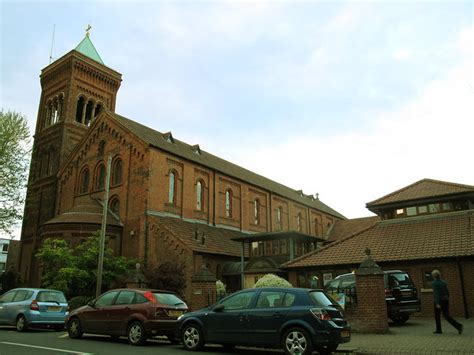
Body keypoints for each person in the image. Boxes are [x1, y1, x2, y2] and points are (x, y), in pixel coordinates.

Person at [431, 269, 463, 334]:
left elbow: (436, 293)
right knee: (446, 315)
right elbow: (447, 292)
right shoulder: (444, 282)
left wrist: (437, 303)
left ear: (433, 276)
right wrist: (447, 298)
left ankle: (439, 330)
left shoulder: (434, 283)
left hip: (439, 301)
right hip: (445, 300)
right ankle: (458, 325)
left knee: (437, 316)